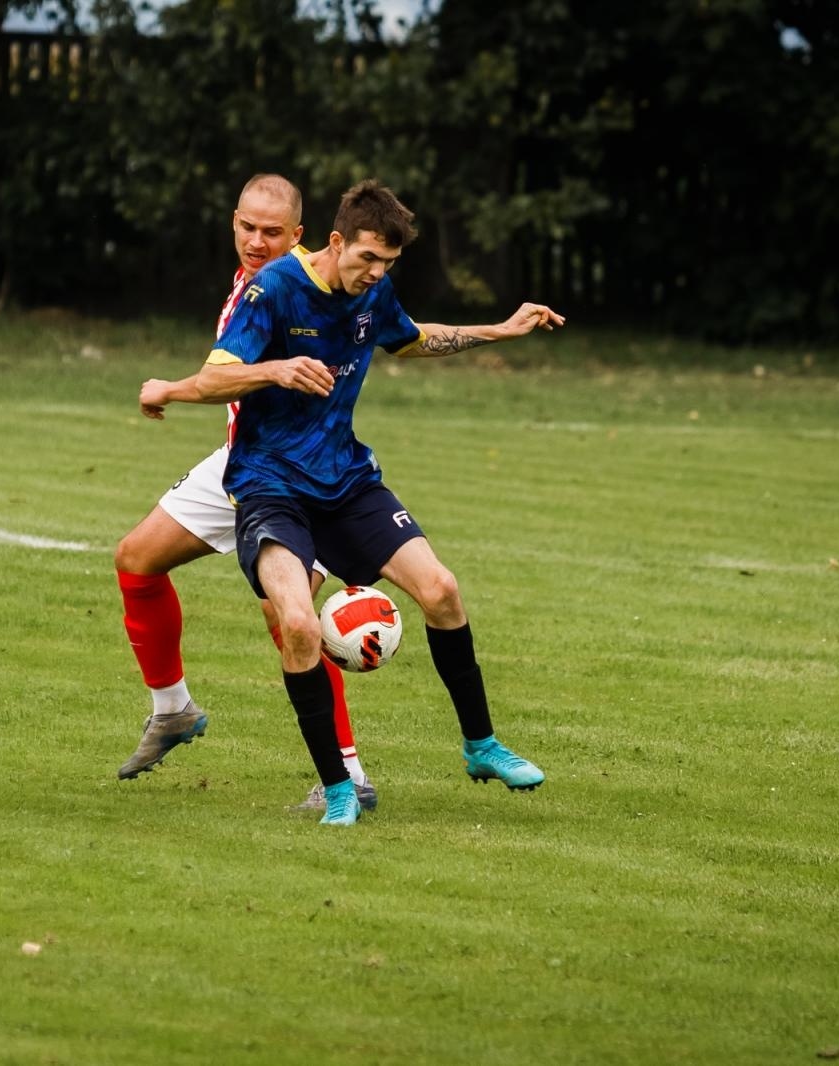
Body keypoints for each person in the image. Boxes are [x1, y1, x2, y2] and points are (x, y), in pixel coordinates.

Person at [194, 179, 565, 825]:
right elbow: (213, 376)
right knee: (299, 624)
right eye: (366, 258)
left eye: (387, 264)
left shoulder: (374, 290)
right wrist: (278, 369)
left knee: (442, 590)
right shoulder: (274, 289)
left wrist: (500, 331)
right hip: (269, 486)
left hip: (345, 480)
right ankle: (340, 787)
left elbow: (410, 337)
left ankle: (481, 746)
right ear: (334, 242)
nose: (374, 273)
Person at [114, 173, 377, 810]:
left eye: (272, 232)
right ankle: (172, 710)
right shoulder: (251, 285)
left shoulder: (313, 293)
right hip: (238, 463)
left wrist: (177, 388)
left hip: (299, 477)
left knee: (289, 620)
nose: (256, 241)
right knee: (136, 560)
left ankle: (350, 777)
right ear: (234, 220)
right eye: (247, 227)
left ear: (300, 236)